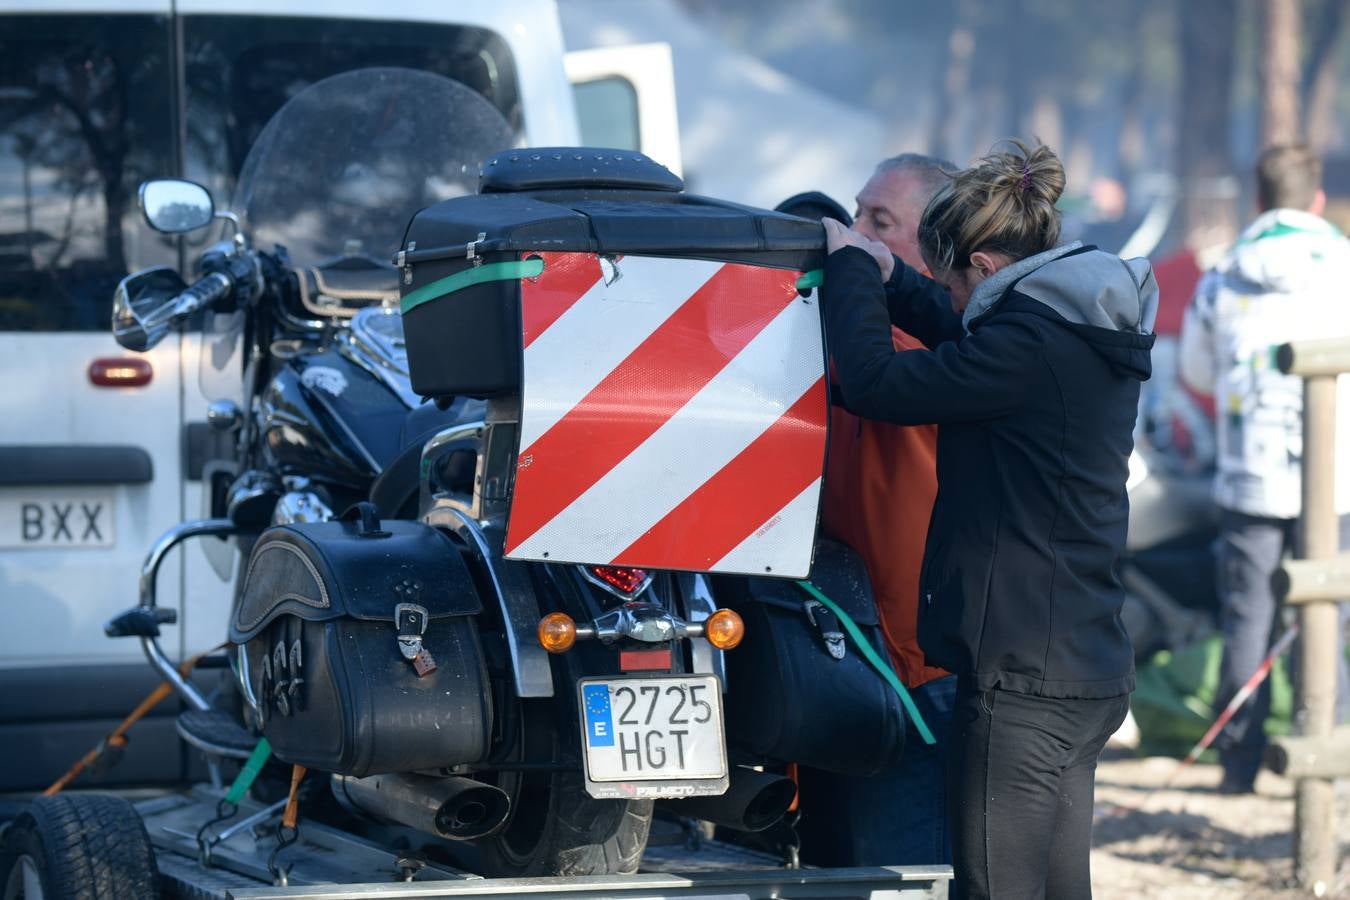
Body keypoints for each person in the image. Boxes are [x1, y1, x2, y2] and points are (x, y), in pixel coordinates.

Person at [821, 139, 1154, 900]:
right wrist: (889, 272)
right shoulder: (1073, 330)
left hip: (1021, 685)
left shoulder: (1023, 349)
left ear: (991, 268)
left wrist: (848, 267)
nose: (948, 298)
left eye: (953, 281)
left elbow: (873, 381)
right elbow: (957, 327)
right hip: (1082, 663)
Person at [789, 155, 958, 868]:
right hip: (840, 660)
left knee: (902, 869)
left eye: (877, 222)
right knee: (838, 866)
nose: (850, 233)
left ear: (938, 249)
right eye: (855, 213)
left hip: (918, 674)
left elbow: (870, 368)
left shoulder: (934, 352)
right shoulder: (848, 340)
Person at [1177, 143, 1350, 794]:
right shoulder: (1343, 263)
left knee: (1246, 617)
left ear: (1257, 199)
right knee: (1324, 612)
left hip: (1249, 474)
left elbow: (1195, 369)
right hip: (1334, 478)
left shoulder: (1223, 273)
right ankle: (1324, 760)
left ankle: (1238, 768)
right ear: (1318, 200)